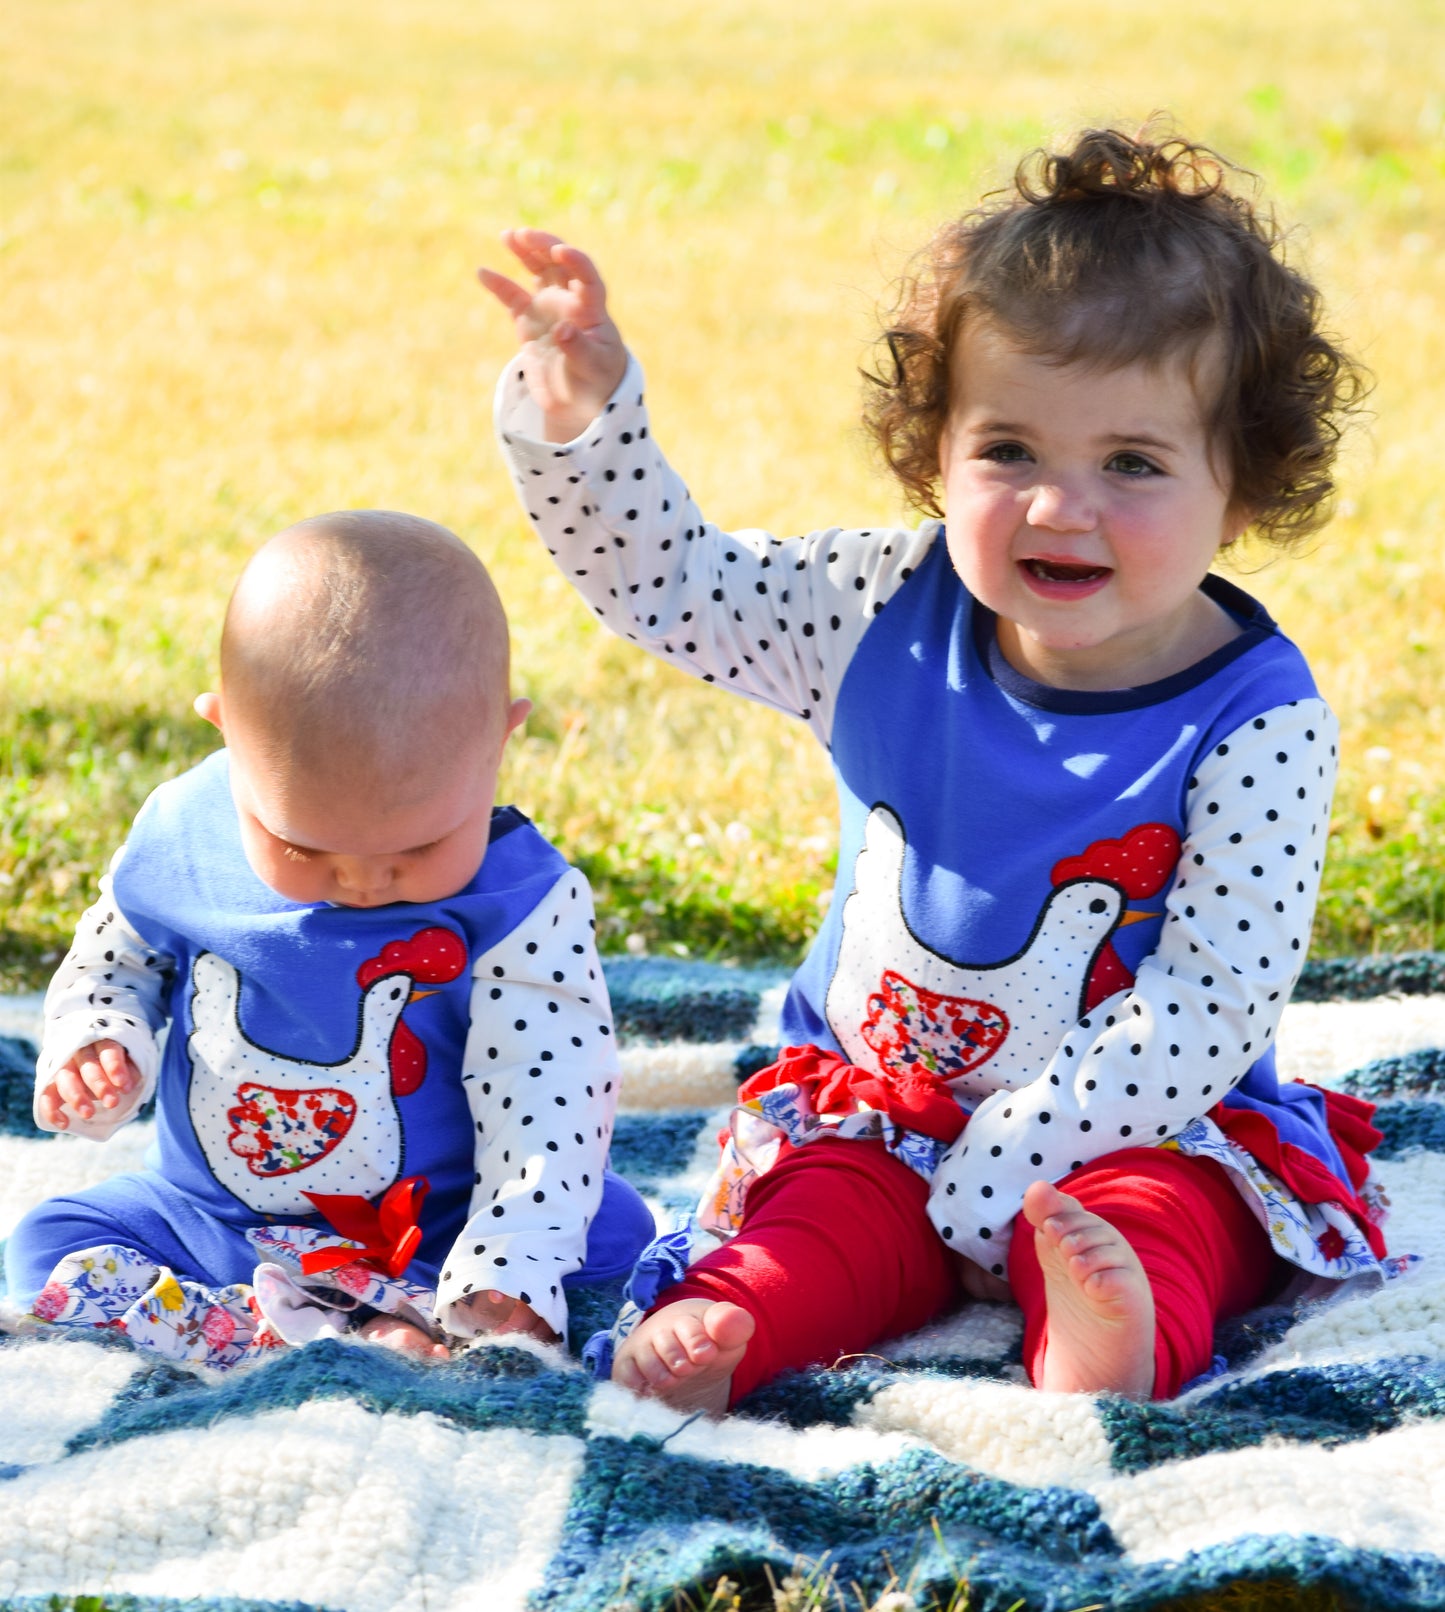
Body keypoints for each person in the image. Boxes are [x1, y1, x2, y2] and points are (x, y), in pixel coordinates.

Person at [480, 126, 1387, 1414]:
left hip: (1137, 1128)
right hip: (882, 1117)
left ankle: (1109, 1335)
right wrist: (582, 423)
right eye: (1007, 450)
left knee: (1167, 1222)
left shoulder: (1257, 717)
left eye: (1130, 463)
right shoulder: (876, 609)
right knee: (817, 1221)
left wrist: (1017, 1158)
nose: (1058, 506)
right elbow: (671, 586)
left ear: (1238, 488)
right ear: (935, 449)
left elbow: (1205, 1006)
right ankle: (735, 1321)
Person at [10, 511, 654, 1369]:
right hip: (220, 1225)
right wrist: (99, 1034)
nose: (362, 881)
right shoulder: (181, 834)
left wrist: (508, 1261)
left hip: (438, 1228)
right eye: (303, 848)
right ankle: (327, 1321)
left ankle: (338, 1317)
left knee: (610, 1231)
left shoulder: (520, 900)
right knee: (51, 1239)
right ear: (226, 731)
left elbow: (548, 1089)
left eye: (419, 848)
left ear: (500, 741)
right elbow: (118, 956)